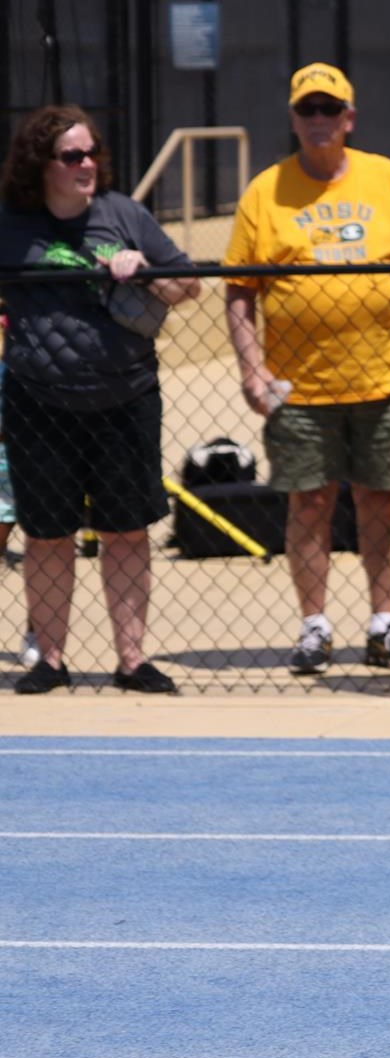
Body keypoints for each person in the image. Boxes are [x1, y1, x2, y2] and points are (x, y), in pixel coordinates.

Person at [223, 63, 390, 676]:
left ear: (349, 118)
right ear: (292, 118)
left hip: (384, 377)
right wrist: (252, 370)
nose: (319, 120)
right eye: (307, 110)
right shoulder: (265, 190)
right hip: (299, 386)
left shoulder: (385, 178)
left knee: (382, 502)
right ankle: (314, 626)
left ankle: (385, 622)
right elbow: (239, 290)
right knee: (308, 504)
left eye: (329, 109)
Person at [0, 104, 202, 694]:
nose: (87, 163)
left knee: (126, 531)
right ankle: (51, 660)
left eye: (92, 153)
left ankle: (132, 660)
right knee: (47, 533)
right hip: (39, 402)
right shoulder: (12, 222)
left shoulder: (124, 215)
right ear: (43, 164)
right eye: (72, 156)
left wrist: (143, 272)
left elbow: (188, 285)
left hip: (124, 398)